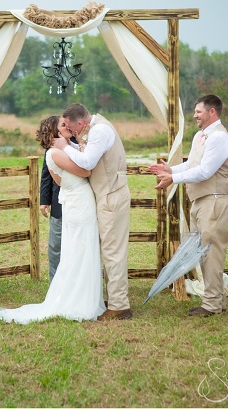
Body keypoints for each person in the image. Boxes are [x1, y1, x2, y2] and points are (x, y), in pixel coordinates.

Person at [0, 117, 105, 324]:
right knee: (79, 249)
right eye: (63, 126)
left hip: (78, 200)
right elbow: (86, 171)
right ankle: (76, 299)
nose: (68, 127)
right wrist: (81, 148)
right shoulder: (55, 153)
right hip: (78, 203)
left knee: (82, 249)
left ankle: (84, 295)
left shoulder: (61, 151)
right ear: (55, 133)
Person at [149, 94, 228, 317]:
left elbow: (206, 171)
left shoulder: (218, 137)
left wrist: (173, 179)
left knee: (212, 253)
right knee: (205, 254)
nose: (195, 115)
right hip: (203, 201)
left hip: (215, 201)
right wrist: (171, 170)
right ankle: (217, 301)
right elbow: (193, 164)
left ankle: (212, 305)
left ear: (212, 112)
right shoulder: (201, 136)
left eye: (199, 111)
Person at [53, 103, 132, 321]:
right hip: (106, 196)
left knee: (113, 251)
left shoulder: (100, 131)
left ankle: (119, 306)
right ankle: (115, 299)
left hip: (112, 196)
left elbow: (87, 162)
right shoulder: (95, 129)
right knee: (108, 249)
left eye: (72, 127)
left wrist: (64, 146)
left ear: (81, 123)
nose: (73, 132)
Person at [36, 115, 68, 283]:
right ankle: (55, 283)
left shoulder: (78, 144)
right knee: (56, 245)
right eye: (63, 124)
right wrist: (44, 200)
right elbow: (46, 175)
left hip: (79, 200)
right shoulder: (50, 151)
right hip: (58, 202)